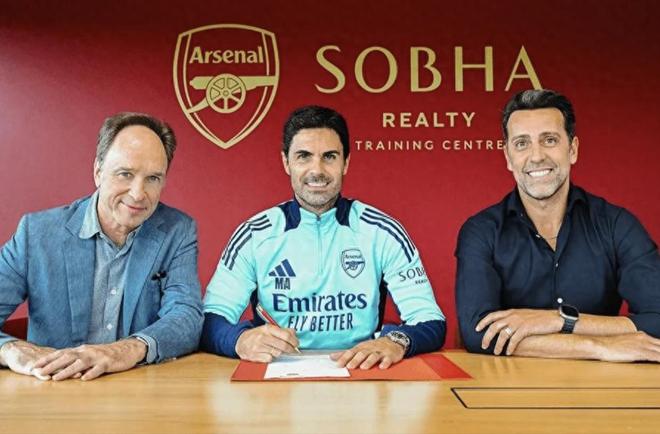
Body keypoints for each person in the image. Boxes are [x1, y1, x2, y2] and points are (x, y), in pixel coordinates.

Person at [201, 105, 445, 369]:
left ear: (346, 163)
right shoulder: (254, 235)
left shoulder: (382, 232)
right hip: (277, 378)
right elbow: (209, 320)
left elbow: (430, 320)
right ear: (286, 162)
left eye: (329, 156)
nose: (316, 170)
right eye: (303, 156)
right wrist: (239, 340)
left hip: (359, 372)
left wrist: (396, 341)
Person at [455, 89, 660, 362]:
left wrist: (559, 320)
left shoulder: (616, 225)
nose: (536, 156)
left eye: (549, 140)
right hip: (510, 386)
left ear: (572, 149)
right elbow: (478, 333)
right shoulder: (482, 231)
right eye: (522, 143)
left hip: (602, 385)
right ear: (508, 157)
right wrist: (598, 347)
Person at [0, 112, 204, 381]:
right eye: (125, 174)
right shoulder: (36, 234)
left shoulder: (177, 230)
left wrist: (123, 351)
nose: (138, 194)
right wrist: (9, 350)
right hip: (54, 389)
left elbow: (187, 317)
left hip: (138, 391)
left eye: (153, 178)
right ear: (98, 171)